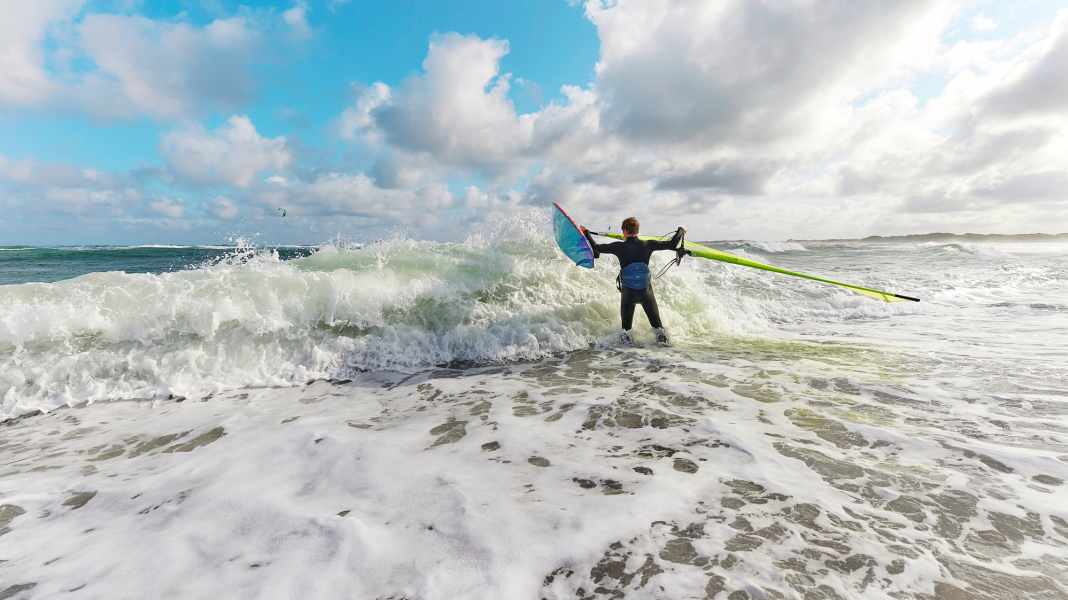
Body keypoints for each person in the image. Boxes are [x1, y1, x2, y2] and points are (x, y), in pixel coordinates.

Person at [582, 217, 685, 345]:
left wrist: (586, 234)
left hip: (628, 295)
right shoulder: (647, 244)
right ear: (637, 230)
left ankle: (628, 358)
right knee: (659, 330)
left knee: (626, 332)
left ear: (624, 230)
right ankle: (664, 355)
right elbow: (672, 244)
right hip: (646, 294)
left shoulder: (619, 246)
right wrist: (680, 231)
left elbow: (596, 248)